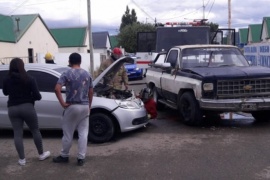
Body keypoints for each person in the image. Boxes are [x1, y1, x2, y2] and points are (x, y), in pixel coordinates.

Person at [2, 58, 50, 166]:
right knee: (35, 130)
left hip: (12, 108)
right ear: (22, 66)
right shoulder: (29, 78)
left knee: (17, 133)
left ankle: (22, 159)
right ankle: (41, 154)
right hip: (27, 107)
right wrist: (31, 98)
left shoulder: (6, 79)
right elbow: (38, 96)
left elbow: (5, 93)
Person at [53, 52, 94, 166]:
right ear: (80, 62)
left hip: (72, 106)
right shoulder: (87, 74)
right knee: (83, 133)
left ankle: (64, 155)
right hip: (85, 106)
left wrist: (62, 103)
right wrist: (89, 106)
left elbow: (57, 89)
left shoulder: (66, 73)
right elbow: (91, 92)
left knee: (68, 132)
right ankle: (81, 157)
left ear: (70, 61)